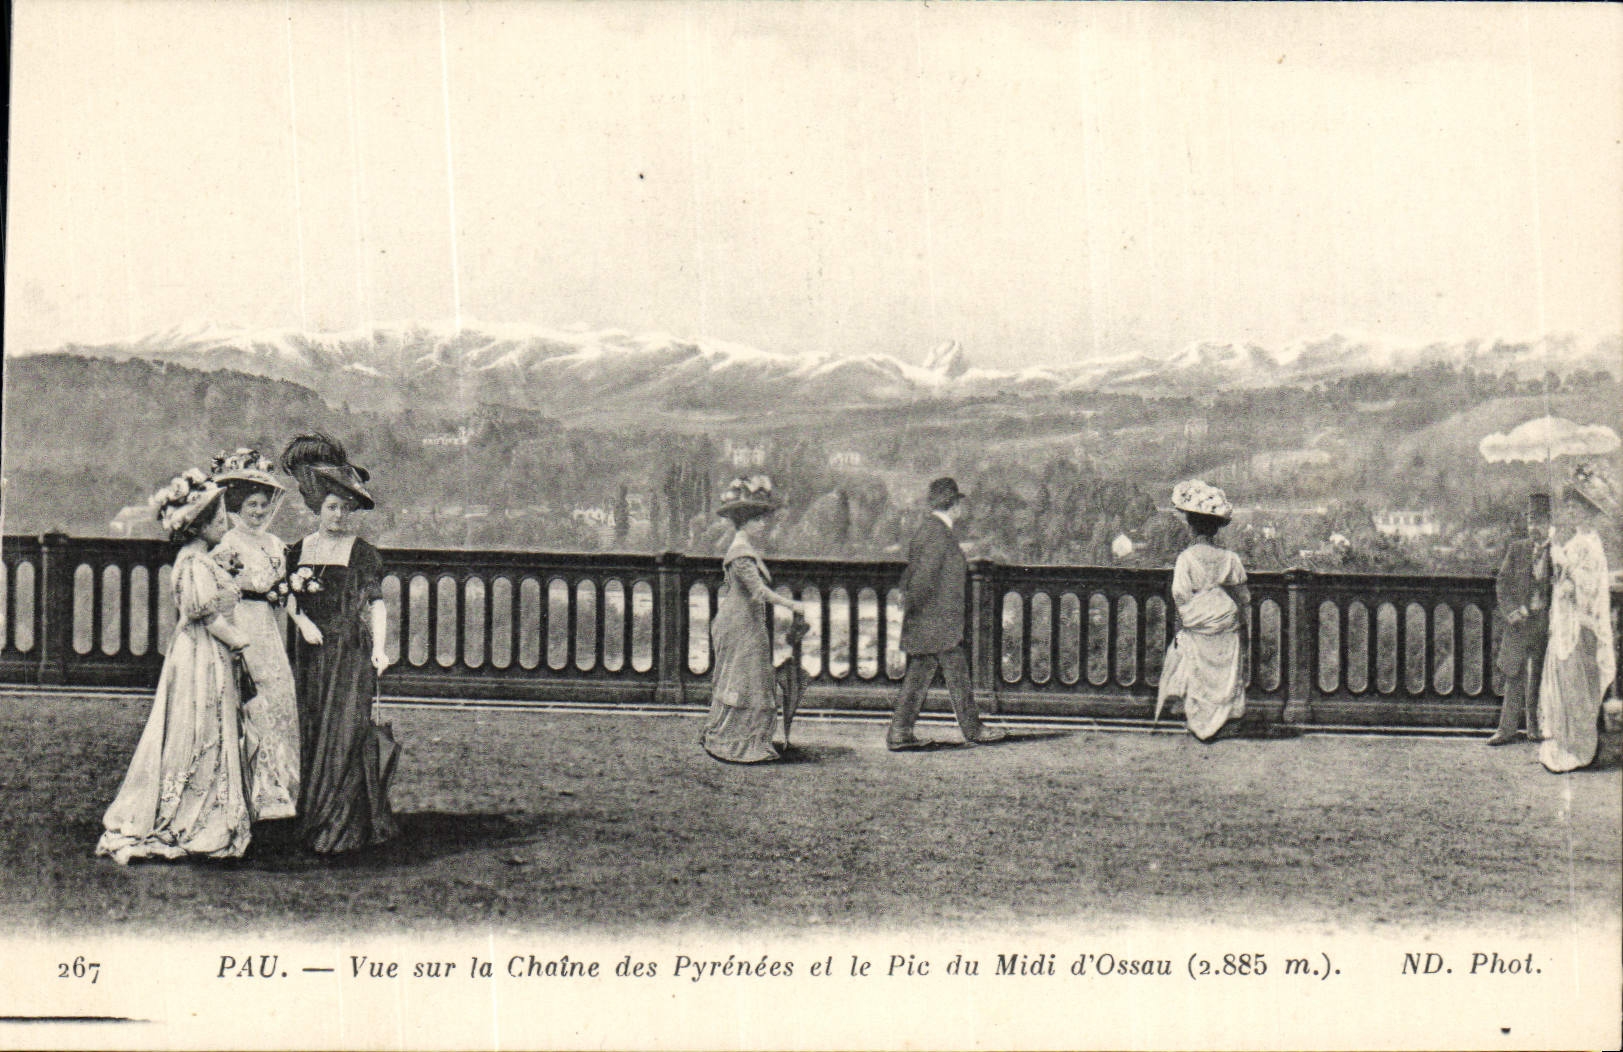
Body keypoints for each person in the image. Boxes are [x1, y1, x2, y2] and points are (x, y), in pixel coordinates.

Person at [97, 470, 254, 864]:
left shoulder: (199, 559)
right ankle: (190, 816)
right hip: (201, 654)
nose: (227, 525)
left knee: (205, 727)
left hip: (202, 653)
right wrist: (242, 643)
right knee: (199, 728)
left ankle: (205, 809)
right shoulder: (195, 563)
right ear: (200, 526)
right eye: (220, 521)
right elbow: (204, 616)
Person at [281, 434, 398, 853]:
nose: (338, 516)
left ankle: (343, 825)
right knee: (312, 729)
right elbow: (288, 598)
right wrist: (302, 622)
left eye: (345, 510)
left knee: (346, 732)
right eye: (331, 507)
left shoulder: (362, 552)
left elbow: (377, 604)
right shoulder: (297, 551)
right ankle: (312, 817)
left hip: (349, 652)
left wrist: (380, 649)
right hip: (309, 652)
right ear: (318, 507)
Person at [210, 449, 301, 820]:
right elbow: (219, 595)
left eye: (264, 504)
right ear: (237, 505)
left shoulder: (276, 545)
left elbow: (282, 591)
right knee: (248, 703)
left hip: (268, 628)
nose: (259, 511)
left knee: (279, 696)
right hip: (240, 625)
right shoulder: (227, 545)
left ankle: (280, 788)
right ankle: (247, 791)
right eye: (251, 504)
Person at [887, 477, 1006, 750]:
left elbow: (912, 572)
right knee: (956, 672)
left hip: (930, 620)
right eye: (960, 502)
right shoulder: (938, 533)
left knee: (922, 673)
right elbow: (924, 577)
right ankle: (973, 729)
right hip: (936, 621)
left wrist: (908, 601)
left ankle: (900, 732)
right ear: (954, 505)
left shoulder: (930, 530)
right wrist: (912, 604)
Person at [702, 476, 810, 763]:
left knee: (753, 677)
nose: (764, 524)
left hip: (747, 621)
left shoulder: (745, 549)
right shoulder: (741, 552)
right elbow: (759, 592)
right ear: (745, 522)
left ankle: (745, 739)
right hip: (739, 624)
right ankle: (734, 742)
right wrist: (793, 604)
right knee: (746, 677)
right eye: (759, 520)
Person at [1536, 466, 1617, 773]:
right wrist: (1558, 562)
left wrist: (1564, 567)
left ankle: (1578, 747)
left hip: (1581, 625)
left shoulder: (1589, 545)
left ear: (1587, 512)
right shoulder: (1575, 542)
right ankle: (1563, 742)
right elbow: (1564, 580)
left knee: (1576, 685)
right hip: (1566, 620)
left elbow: (1586, 586)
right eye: (1568, 506)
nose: (1570, 511)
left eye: (1576, 506)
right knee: (1563, 681)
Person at [1155, 480, 1250, 742]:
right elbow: (1243, 595)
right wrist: (1242, 623)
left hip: (1198, 619)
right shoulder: (1230, 558)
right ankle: (1226, 718)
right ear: (1216, 528)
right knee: (1226, 669)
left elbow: (1180, 595)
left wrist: (1186, 620)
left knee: (1197, 665)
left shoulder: (1187, 558)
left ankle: (1201, 719)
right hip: (1225, 617)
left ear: (1191, 525)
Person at [1486, 493, 1552, 746]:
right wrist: (1512, 611)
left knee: (1539, 675)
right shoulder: (1518, 549)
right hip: (1520, 623)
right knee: (1514, 675)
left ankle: (1535, 728)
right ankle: (1506, 729)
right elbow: (1502, 583)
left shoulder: (1558, 553)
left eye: (1541, 521)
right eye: (1531, 521)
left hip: (1545, 624)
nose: (1535, 527)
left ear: (1550, 523)